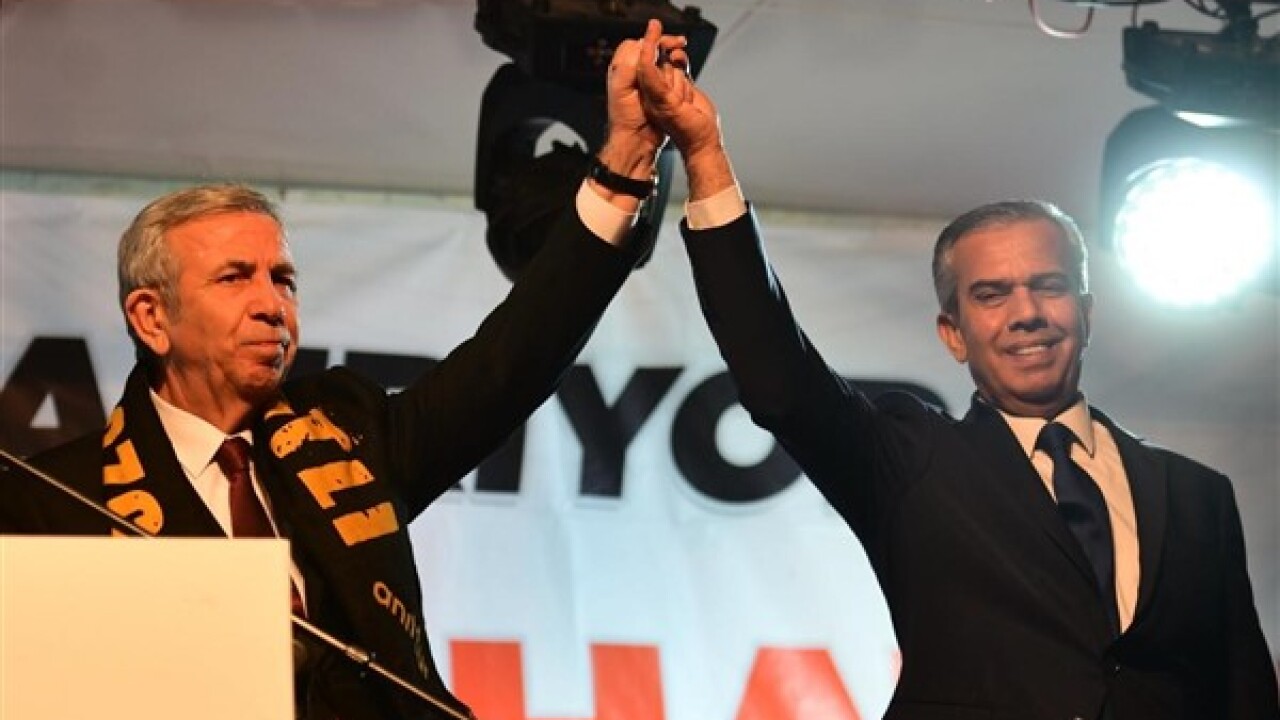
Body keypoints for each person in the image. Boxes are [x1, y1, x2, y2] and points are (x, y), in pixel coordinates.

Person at [0, 30, 690, 720]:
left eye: (283, 279)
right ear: (152, 318)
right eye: (235, 278)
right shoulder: (55, 501)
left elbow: (514, 359)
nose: (272, 305)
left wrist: (626, 159)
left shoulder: (351, 428)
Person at [628, 19, 1280, 720]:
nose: (1026, 313)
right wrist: (705, 155)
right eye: (992, 295)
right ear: (953, 334)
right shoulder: (911, 462)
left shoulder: (1196, 495)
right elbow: (778, 382)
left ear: (1086, 312)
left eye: (1049, 286)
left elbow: (1245, 695)